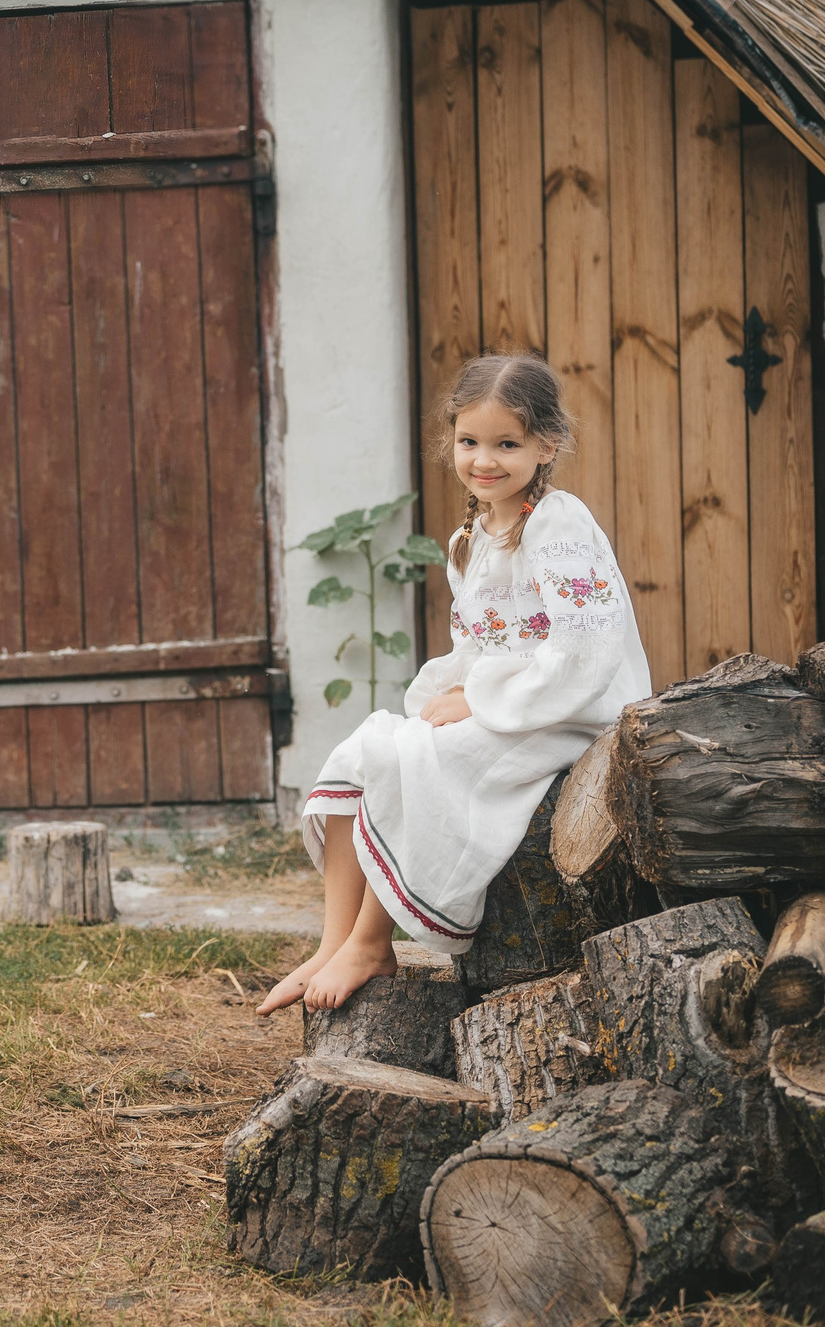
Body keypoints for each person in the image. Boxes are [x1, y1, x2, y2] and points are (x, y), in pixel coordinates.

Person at [256, 354, 650, 1015]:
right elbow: (480, 644)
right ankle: (334, 942)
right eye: (470, 442)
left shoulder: (558, 522)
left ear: (547, 444)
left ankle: (372, 941)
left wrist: (480, 701)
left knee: (420, 760)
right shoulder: (473, 536)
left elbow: (583, 647)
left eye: (507, 444)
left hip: (571, 710)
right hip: (514, 702)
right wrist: (450, 694)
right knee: (371, 747)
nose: (484, 460)